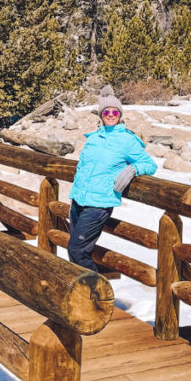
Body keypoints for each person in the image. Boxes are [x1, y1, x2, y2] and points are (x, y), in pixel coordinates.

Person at [68, 86, 156, 275]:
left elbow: (149, 164)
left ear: (120, 114)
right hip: (78, 200)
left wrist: (133, 169)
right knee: (75, 249)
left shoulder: (127, 140)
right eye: (106, 111)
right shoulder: (94, 138)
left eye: (114, 111)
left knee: (77, 250)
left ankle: (97, 295)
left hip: (99, 204)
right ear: (101, 114)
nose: (110, 115)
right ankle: (80, 296)